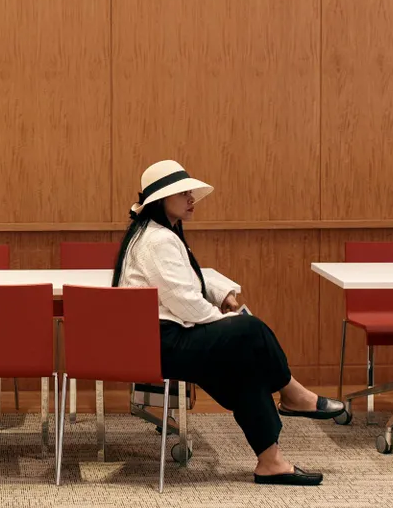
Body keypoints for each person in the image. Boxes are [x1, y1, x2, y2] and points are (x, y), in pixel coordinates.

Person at [113, 160, 345, 486]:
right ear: (162, 200)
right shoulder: (158, 240)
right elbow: (184, 301)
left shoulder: (156, 234)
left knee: (244, 364)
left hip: (162, 339)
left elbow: (187, 279)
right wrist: (225, 322)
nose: (192, 198)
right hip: (160, 343)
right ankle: (293, 394)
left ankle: (271, 462)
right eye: (183, 193)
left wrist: (221, 295)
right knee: (249, 330)